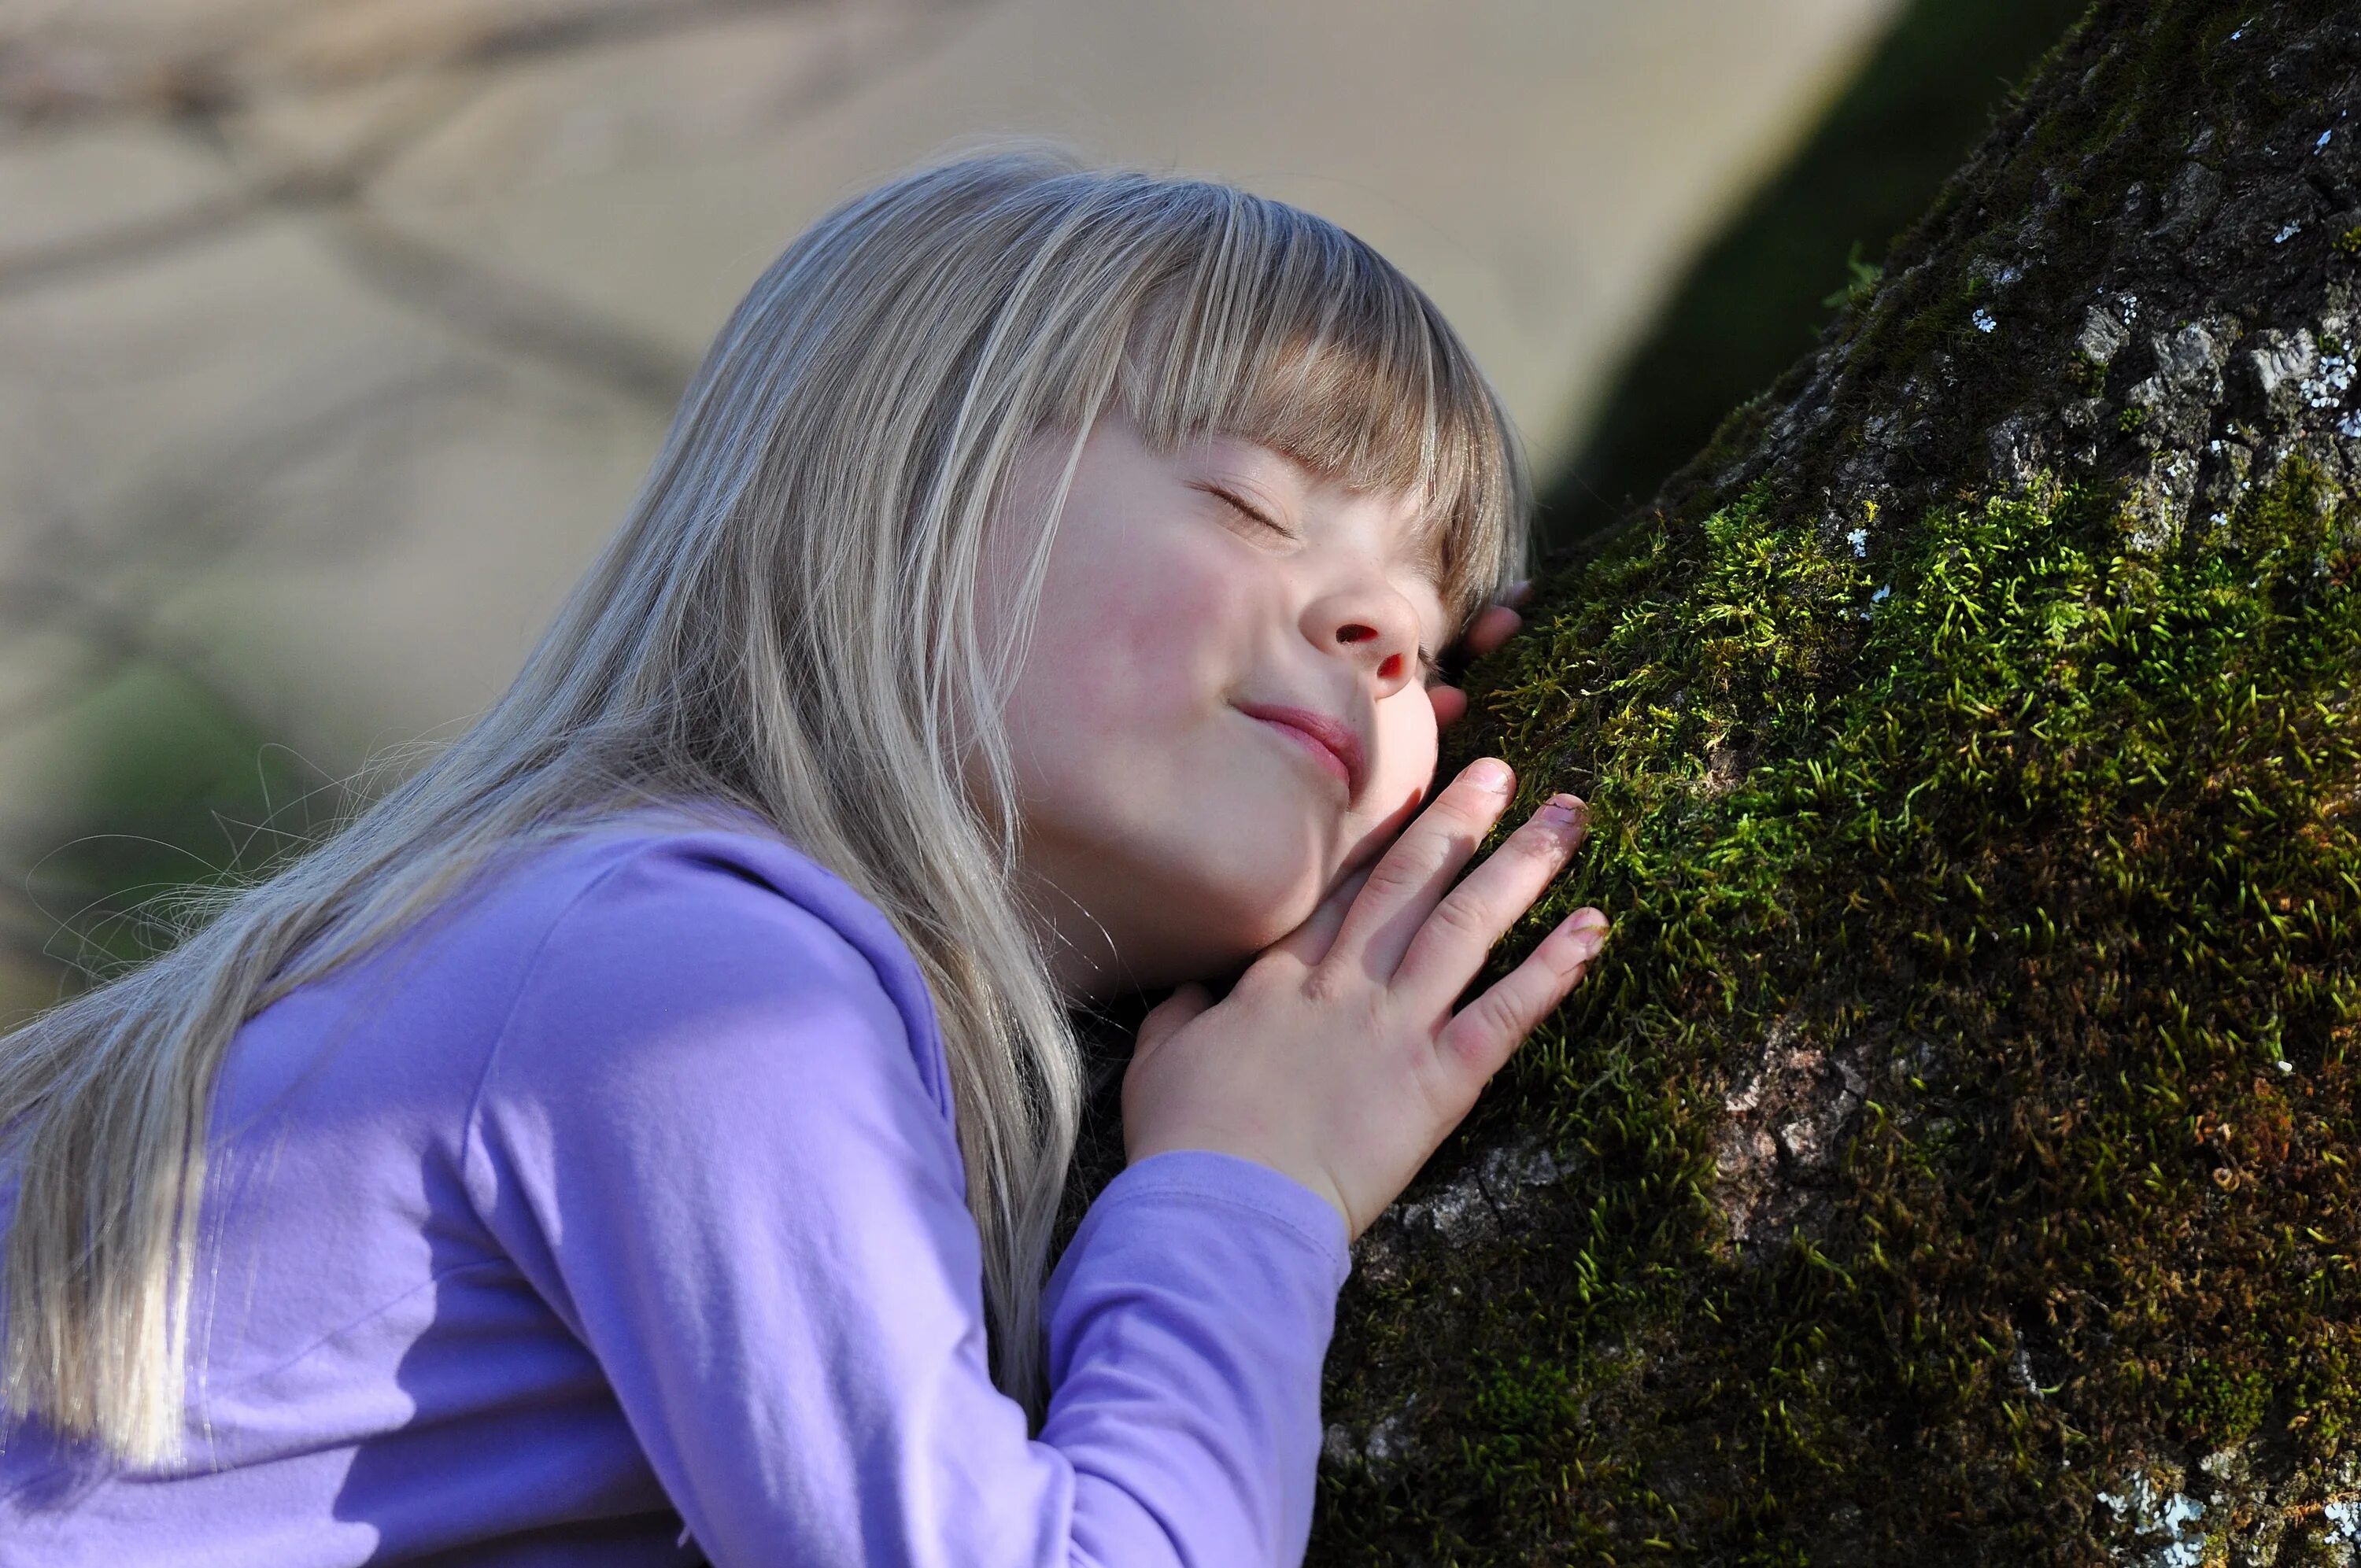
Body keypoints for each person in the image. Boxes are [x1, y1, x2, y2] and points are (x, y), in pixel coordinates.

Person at [0, 145, 1609, 1565]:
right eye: (1255, 504)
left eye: (1430, 629)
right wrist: (1253, 1182)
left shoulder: (630, 948)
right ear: (901, 498)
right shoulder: (692, 979)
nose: (1381, 629)